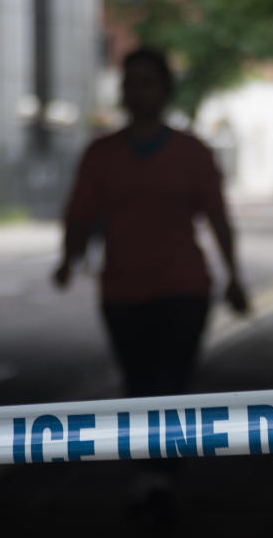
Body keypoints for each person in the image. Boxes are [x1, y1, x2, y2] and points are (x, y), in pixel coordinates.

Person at [54, 47, 249, 398]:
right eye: (130, 84)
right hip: (122, 292)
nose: (136, 92)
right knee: (139, 388)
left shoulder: (193, 153)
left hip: (183, 291)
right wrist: (68, 260)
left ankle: (169, 455)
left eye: (147, 83)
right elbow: (79, 215)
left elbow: (218, 219)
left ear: (166, 90)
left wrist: (234, 277)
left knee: (173, 387)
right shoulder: (101, 154)